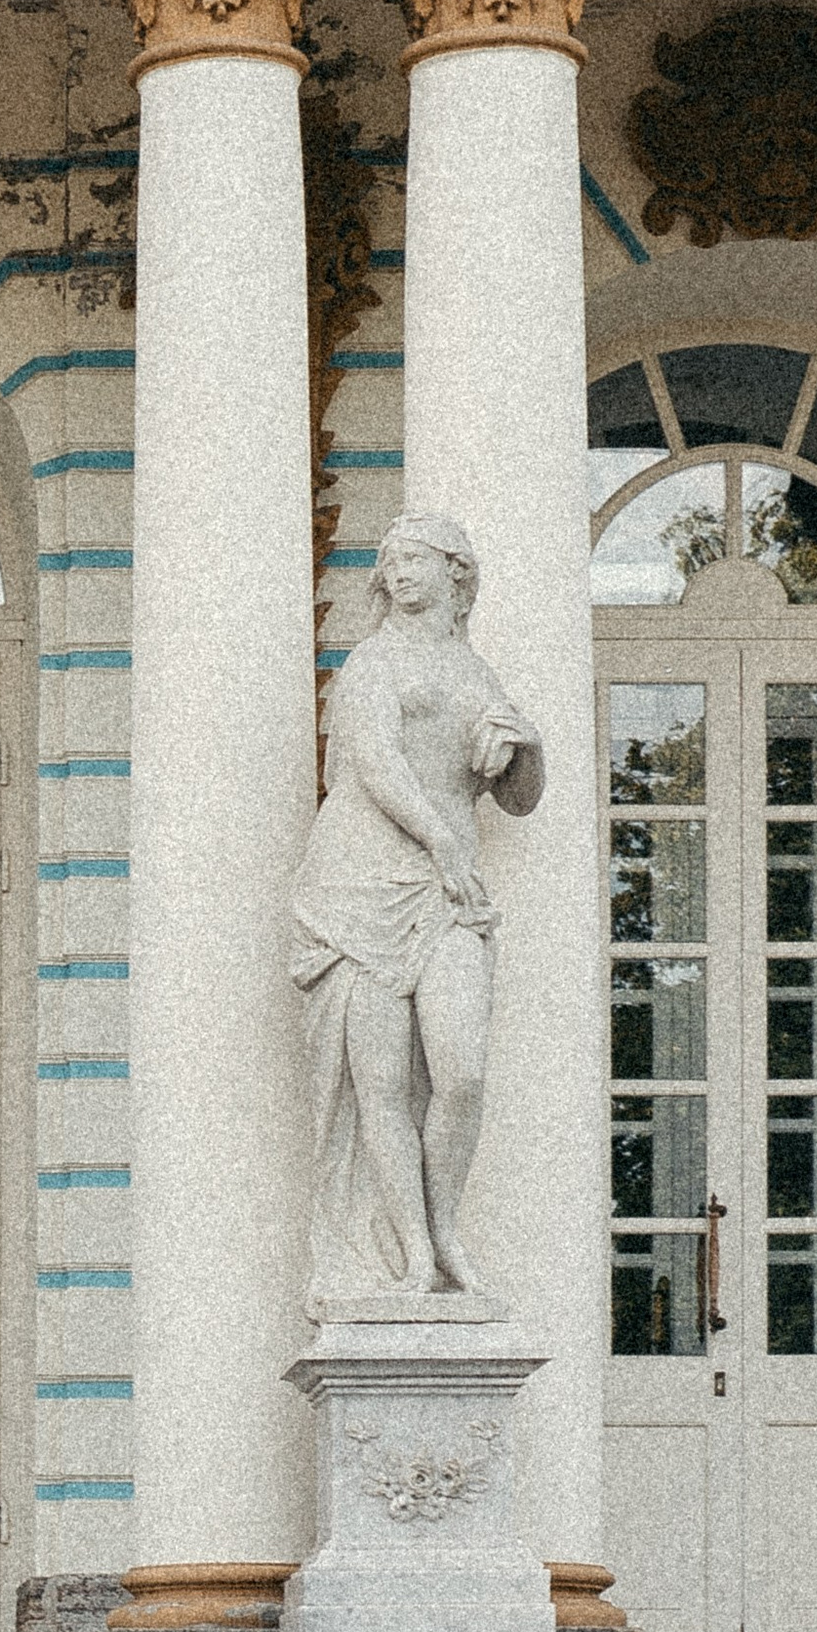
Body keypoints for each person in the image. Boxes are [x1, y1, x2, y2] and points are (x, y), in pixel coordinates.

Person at [290, 507, 544, 1316]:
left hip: (445, 890)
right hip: (360, 883)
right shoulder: (373, 662)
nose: (397, 572)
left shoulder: (477, 674)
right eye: (389, 561)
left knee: (462, 1073)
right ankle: (414, 1260)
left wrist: (527, 746)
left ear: (455, 572)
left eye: (413, 559)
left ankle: (444, 1231)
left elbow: (518, 799)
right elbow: (374, 765)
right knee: (382, 1090)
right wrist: (443, 841)